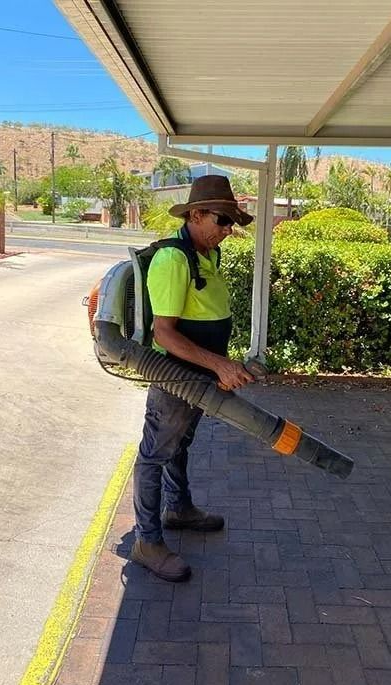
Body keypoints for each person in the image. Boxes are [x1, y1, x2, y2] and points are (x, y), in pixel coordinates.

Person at [130, 175, 254, 581]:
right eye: (221, 220)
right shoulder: (173, 260)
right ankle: (148, 541)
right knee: (155, 453)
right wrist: (219, 365)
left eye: (231, 222)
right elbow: (163, 333)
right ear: (196, 214)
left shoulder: (205, 254)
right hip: (177, 377)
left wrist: (221, 361)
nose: (227, 230)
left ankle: (178, 508)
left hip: (200, 376)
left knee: (181, 442)